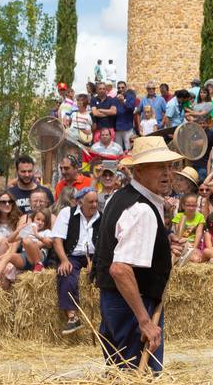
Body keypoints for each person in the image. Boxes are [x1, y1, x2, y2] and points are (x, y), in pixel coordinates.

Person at [92, 136, 183, 371]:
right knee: (139, 381)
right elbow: (120, 268)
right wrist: (145, 321)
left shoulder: (120, 197)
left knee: (121, 376)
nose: (167, 173)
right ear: (139, 171)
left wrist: (162, 241)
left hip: (116, 302)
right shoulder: (141, 209)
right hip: (133, 305)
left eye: (169, 166)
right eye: (158, 167)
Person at [51, 188, 99, 335]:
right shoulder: (67, 213)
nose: (95, 205)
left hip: (94, 255)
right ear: (80, 202)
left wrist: (95, 262)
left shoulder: (102, 217)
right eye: (90, 202)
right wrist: (64, 260)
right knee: (66, 272)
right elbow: (57, 239)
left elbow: (105, 243)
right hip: (73, 254)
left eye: (96, 201)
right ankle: (72, 317)